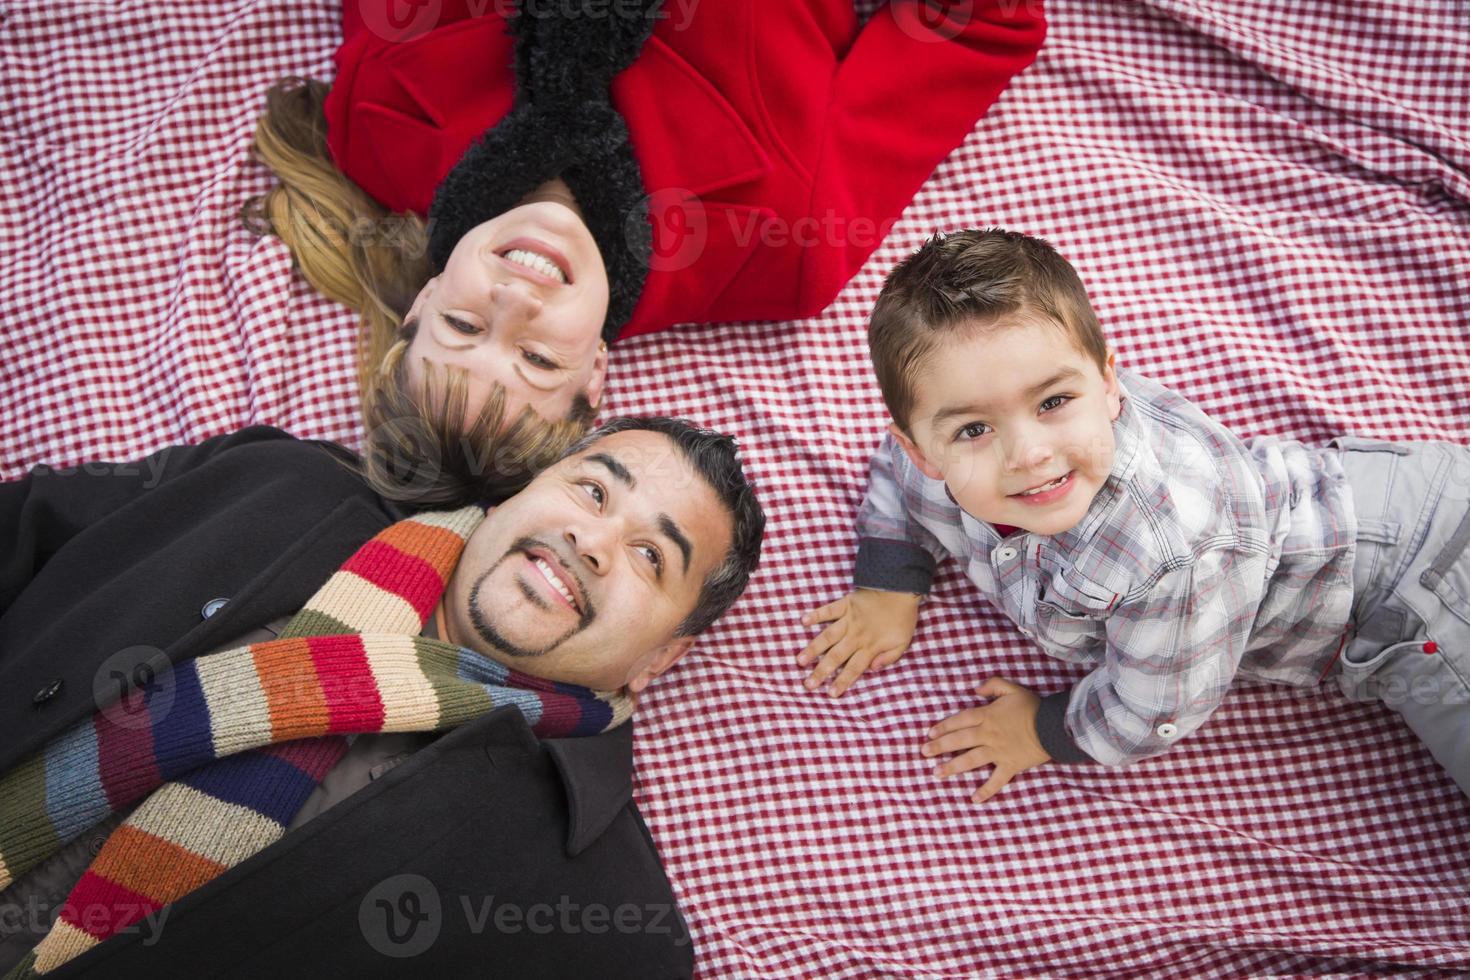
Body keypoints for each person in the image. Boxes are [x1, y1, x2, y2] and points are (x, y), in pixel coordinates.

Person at [0, 417, 764, 977]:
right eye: (592, 490)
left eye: (649, 555)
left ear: (662, 657)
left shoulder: (605, 930)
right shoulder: (281, 485)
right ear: (512, 496)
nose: (592, 542)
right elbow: (24, 529)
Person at [244, 0, 1048, 501]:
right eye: (535, 360)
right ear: (595, 370)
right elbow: (982, 20)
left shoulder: (378, 125)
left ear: (422, 302)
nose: (514, 303)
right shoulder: (783, 247)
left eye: (460, 328)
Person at [796, 227, 1470, 805]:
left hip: (1419, 579)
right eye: (973, 429)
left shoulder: (1164, 554)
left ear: (1109, 383)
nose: (1029, 454)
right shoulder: (929, 460)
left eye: (1054, 401)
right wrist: (890, 582)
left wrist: (1043, 730)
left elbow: (1158, 708)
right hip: (1392, 508)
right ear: (925, 447)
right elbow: (896, 476)